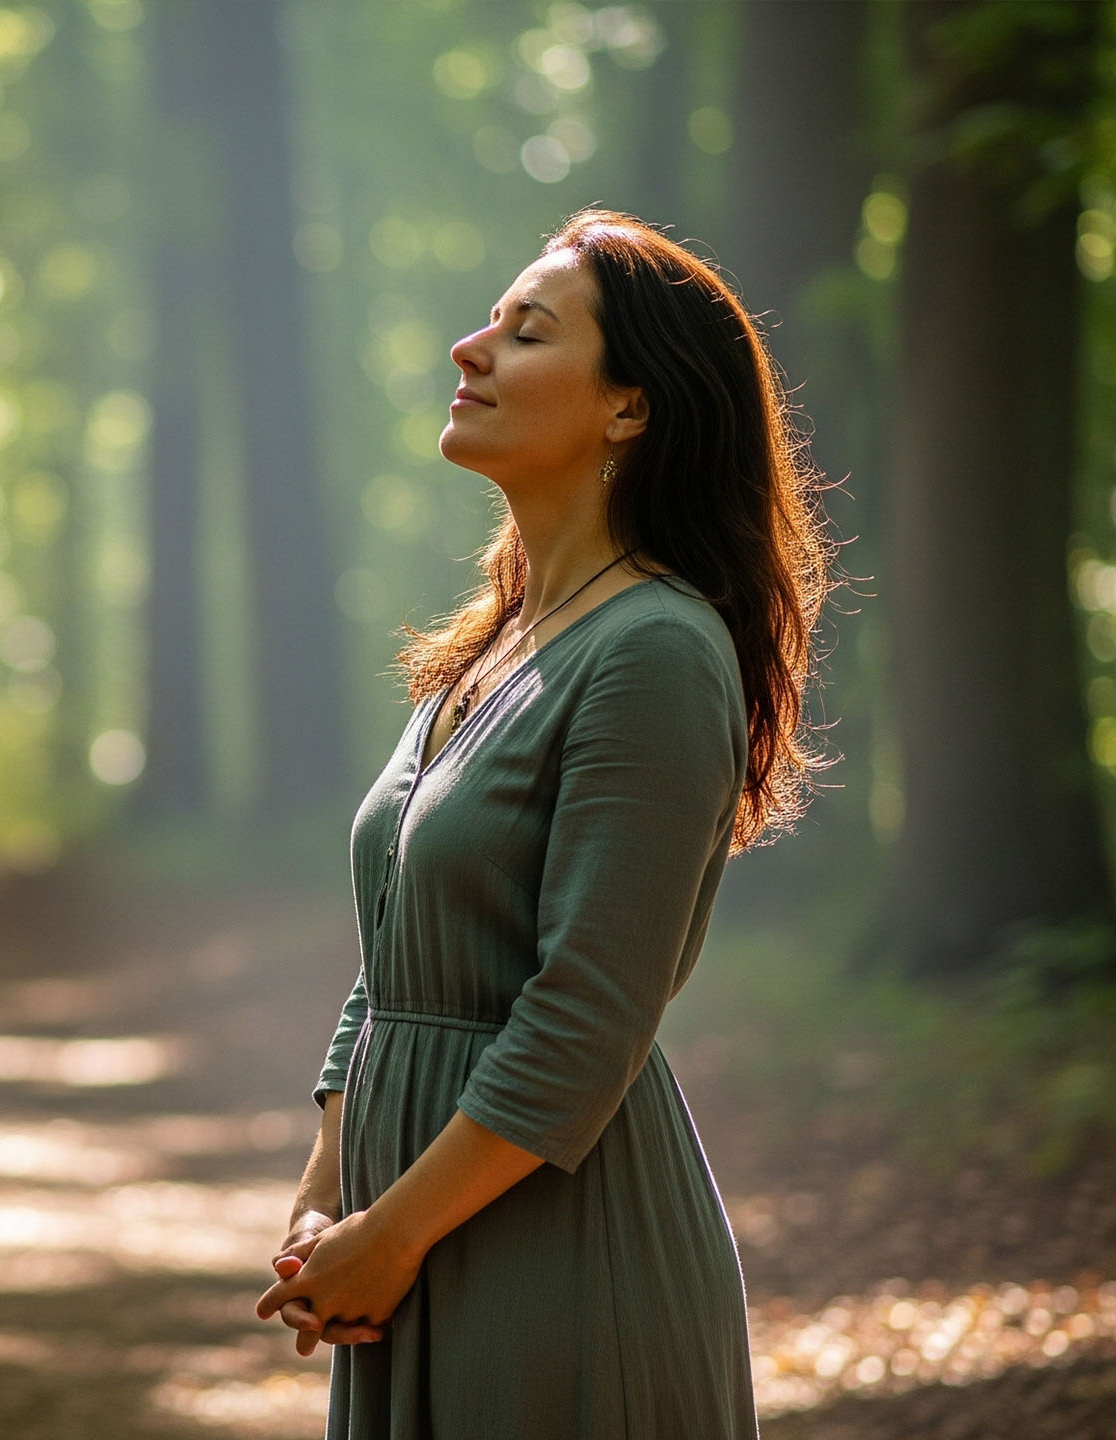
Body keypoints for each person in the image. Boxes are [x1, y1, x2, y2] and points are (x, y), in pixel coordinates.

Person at [253, 209, 834, 1438]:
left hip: (555, 1253)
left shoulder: (656, 652)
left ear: (630, 408)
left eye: (525, 332)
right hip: (402, 1240)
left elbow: (587, 1012)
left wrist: (393, 1231)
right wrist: (327, 1209)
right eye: (488, 322)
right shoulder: (492, 649)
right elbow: (390, 966)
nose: (469, 349)